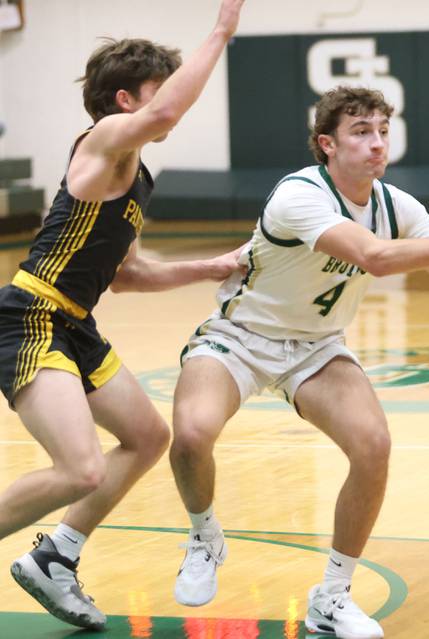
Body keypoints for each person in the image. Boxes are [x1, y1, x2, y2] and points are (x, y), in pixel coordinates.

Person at [168, 85, 429, 638]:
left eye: (383, 130)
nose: (377, 143)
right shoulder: (298, 195)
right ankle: (204, 536)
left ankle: (331, 597)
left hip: (315, 347)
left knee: (373, 445)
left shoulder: (397, 205)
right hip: (240, 335)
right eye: (361, 132)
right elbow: (373, 258)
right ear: (326, 144)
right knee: (191, 434)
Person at [0, 0, 246, 630]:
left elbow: (130, 274)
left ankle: (56, 556)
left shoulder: (134, 175)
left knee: (147, 437)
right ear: (124, 100)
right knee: (79, 467)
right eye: (157, 91)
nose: (170, 107)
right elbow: (168, 110)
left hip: (75, 324)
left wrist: (212, 265)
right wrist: (220, 31)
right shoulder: (104, 138)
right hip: (32, 316)